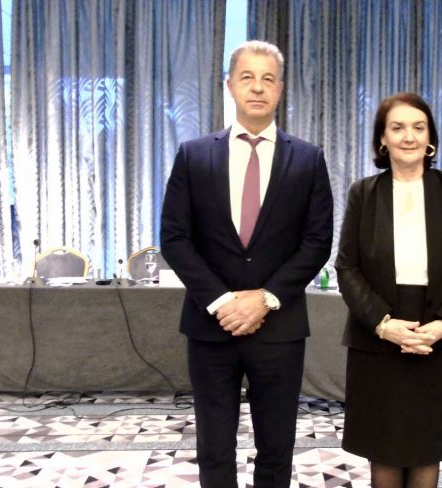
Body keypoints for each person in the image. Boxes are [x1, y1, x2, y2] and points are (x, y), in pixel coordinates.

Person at [160, 40, 333, 487]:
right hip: (210, 326)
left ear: (280, 89)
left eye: (268, 79)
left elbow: (317, 242)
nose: (258, 87)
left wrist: (266, 298)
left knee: (276, 447)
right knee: (214, 447)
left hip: (279, 327)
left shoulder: (308, 159)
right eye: (247, 77)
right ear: (230, 86)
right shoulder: (194, 155)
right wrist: (221, 301)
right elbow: (174, 238)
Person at [335, 92, 442, 487]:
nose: (409, 136)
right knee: (383, 449)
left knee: (425, 449)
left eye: (419, 128)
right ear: (382, 139)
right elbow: (347, 268)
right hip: (377, 336)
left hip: (437, 337)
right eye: (398, 127)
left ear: (431, 137)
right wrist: (383, 324)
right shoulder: (363, 193)